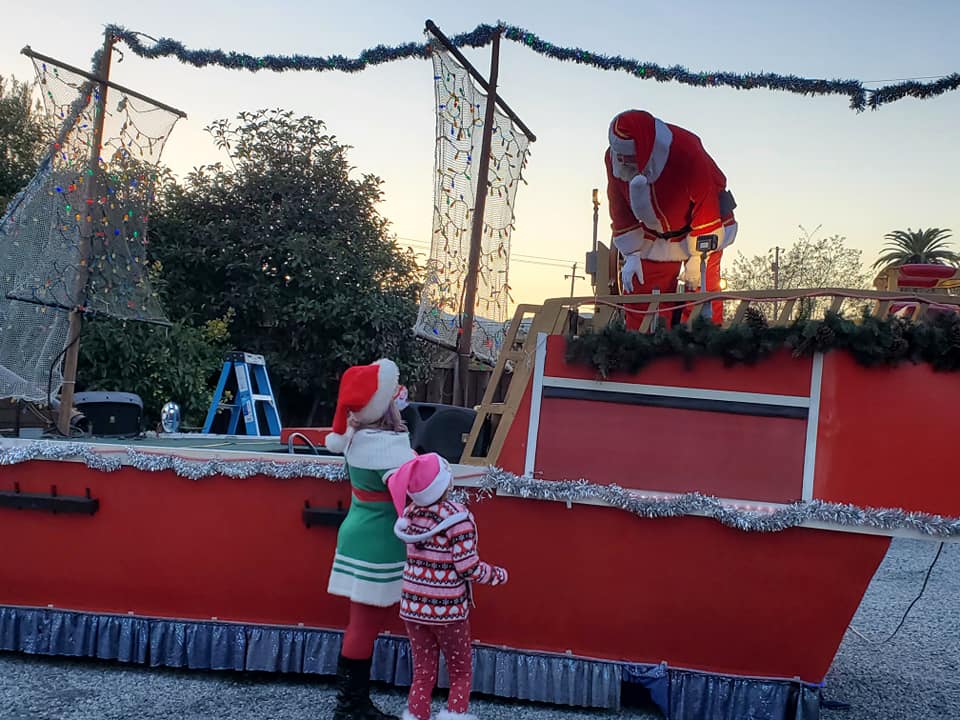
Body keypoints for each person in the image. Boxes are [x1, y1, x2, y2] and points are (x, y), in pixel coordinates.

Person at [325, 358, 416, 720]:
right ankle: (351, 707)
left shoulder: (357, 438)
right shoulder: (387, 448)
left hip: (362, 533)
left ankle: (353, 704)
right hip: (376, 543)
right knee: (364, 625)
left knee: (365, 623)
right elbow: (415, 490)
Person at [389, 453, 508, 720]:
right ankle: (454, 715)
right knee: (460, 672)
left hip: (413, 607)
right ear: (445, 484)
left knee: (423, 672)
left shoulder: (410, 514)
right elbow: (468, 567)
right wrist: (498, 574)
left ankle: (417, 716)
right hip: (448, 611)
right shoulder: (459, 519)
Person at [605, 109, 738, 328]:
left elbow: (706, 200)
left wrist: (698, 257)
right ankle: (641, 347)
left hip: (700, 228)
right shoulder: (613, 162)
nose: (622, 161)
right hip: (653, 233)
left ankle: (701, 347)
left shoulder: (685, 150)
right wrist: (632, 253)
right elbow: (618, 205)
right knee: (643, 292)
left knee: (701, 293)